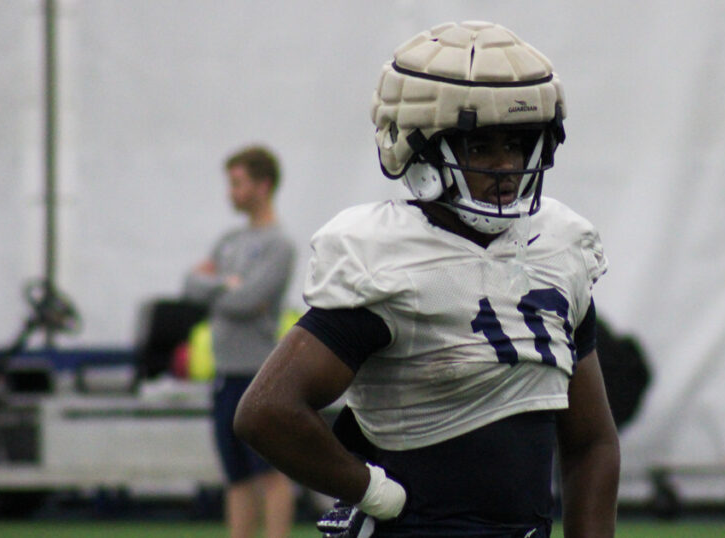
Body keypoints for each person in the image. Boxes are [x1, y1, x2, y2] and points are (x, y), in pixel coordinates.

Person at [234, 21, 620, 538]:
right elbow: (267, 412)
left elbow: (592, 442)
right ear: (418, 148)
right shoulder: (389, 257)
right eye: (480, 147)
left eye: (517, 143)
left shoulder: (559, 247)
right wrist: (370, 490)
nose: (506, 165)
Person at [183, 145, 297, 538]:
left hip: (258, 377)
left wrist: (222, 287)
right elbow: (190, 287)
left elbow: (248, 301)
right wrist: (224, 284)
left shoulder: (278, 245)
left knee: (270, 476)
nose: (230, 192)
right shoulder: (229, 240)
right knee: (236, 478)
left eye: (237, 183)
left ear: (262, 186)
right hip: (225, 376)